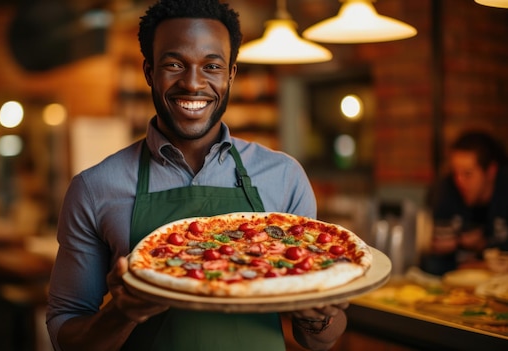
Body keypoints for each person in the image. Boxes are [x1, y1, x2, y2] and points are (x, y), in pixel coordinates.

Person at [46, 1, 348, 350]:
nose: (192, 83)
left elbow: (319, 341)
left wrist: (317, 316)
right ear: (149, 72)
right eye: (174, 64)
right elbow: (65, 334)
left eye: (211, 66)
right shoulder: (94, 188)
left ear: (231, 73)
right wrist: (122, 312)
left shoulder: (283, 176)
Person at [422, 130, 508, 275]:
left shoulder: (504, 191)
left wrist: (483, 246)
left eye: (468, 174)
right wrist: (457, 243)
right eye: (456, 173)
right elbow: (432, 264)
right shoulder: (445, 192)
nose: (459, 181)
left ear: (491, 172)